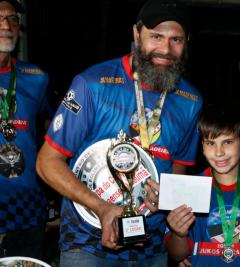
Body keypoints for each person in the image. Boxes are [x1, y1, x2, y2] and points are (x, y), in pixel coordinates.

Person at [36, 0, 203, 266]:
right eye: (156, 37)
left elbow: (177, 170)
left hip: (152, 247)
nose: (165, 49)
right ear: (136, 34)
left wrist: (166, 196)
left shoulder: (191, 100)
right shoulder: (91, 84)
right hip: (87, 242)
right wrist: (102, 208)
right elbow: (47, 163)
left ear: (187, 42)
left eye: (176, 40)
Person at [166, 104, 240, 266]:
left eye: (227, 142)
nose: (219, 152)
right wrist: (179, 235)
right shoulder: (189, 189)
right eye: (210, 143)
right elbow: (178, 255)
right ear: (202, 146)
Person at [0, 0, 50, 259]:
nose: (6, 26)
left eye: (12, 19)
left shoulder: (36, 77)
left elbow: (51, 134)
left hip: (27, 208)